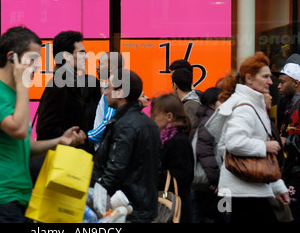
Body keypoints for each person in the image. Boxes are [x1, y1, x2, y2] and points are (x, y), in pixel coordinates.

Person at [0, 26, 86, 223]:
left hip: (18, 199)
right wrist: (23, 85)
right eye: (33, 59)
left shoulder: (15, 95)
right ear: (12, 58)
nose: (37, 65)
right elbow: (19, 130)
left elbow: (28, 147)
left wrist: (61, 141)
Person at [205, 51, 289, 223]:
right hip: (245, 191)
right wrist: (264, 146)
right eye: (265, 76)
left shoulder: (250, 104)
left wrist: (278, 186)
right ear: (249, 79)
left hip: (247, 188)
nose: (270, 82)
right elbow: (234, 143)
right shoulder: (245, 107)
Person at [91, 69, 161, 222]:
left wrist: (96, 196)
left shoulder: (124, 125)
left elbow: (116, 167)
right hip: (143, 205)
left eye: (108, 88)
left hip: (125, 207)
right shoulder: (149, 124)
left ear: (120, 92)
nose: (105, 92)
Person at [36, 30, 89, 141]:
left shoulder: (70, 82)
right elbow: (45, 129)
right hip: (64, 155)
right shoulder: (58, 85)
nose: (86, 57)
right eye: (81, 53)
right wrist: (73, 139)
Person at [151, 93, 194, 223]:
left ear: (169, 116)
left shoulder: (178, 140)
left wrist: (155, 171)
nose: (152, 119)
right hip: (167, 203)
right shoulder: (164, 138)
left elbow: (183, 176)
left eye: (155, 115)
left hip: (175, 207)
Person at [190, 87, 222, 223]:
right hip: (207, 183)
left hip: (203, 182)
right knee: (214, 217)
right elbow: (205, 152)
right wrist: (216, 179)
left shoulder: (204, 120)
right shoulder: (210, 122)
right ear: (212, 103)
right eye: (222, 100)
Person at [277, 54, 300, 222]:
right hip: (290, 169)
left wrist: (286, 141)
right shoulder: (289, 103)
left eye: (282, 82)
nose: (278, 87)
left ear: (296, 83)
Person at [87, 52, 124, 149]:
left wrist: (88, 137)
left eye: (101, 63)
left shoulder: (113, 90)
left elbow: (108, 123)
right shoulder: (115, 87)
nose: (97, 67)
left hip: (106, 151)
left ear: (111, 67)